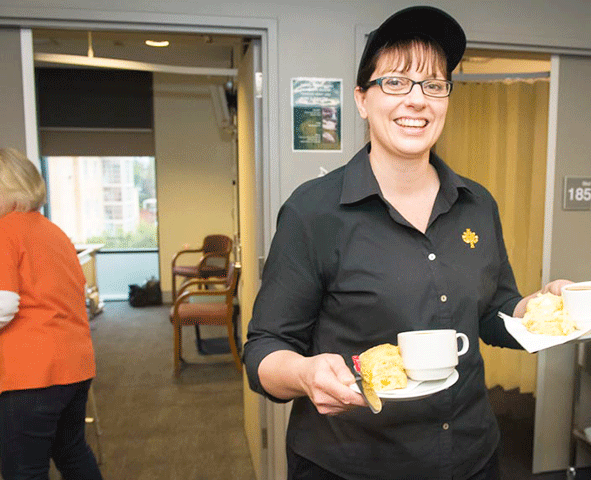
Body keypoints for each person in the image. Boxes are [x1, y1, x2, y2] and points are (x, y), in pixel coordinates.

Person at [242, 6, 570, 479]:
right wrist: (304, 374)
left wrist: (538, 311)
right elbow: (265, 349)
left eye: (434, 85)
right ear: (362, 99)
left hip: (470, 457)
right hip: (351, 464)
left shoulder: (477, 204)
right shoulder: (313, 213)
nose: (417, 100)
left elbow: (493, 310)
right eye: (395, 82)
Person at [0, 148, 103, 480]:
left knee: (24, 472)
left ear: (10, 189)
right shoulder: (53, 233)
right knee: (72, 452)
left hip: (31, 375)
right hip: (75, 367)